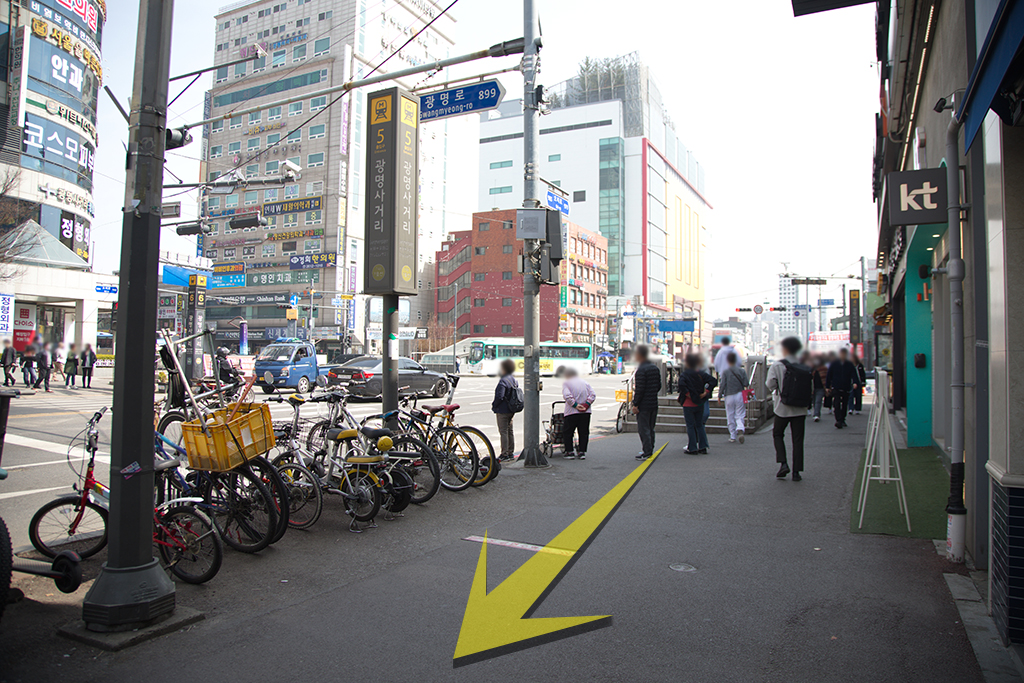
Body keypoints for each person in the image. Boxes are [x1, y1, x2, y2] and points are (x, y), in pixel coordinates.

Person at [766, 337, 812, 481]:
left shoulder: (777, 365)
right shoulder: (804, 365)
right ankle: (796, 472)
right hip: (800, 408)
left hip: (783, 407)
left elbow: (770, 384)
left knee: (778, 434)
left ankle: (783, 463)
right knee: (798, 439)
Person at [631, 345, 661, 461]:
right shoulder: (655, 368)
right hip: (653, 402)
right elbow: (659, 386)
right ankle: (649, 449)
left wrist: (635, 404)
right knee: (651, 428)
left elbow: (640, 389)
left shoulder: (641, 370)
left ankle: (647, 452)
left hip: (643, 404)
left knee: (644, 429)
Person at [678, 353, 712, 454]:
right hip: (699, 404)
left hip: (688, 404)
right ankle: (703, 446)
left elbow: (681, 385)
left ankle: (692, 447)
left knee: (690, 426)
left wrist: (688, 394)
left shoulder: (685, 374)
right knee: (699, 425)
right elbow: (713, 381)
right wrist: (706, 392)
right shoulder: (700, 373)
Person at [561, 368, 596, 460]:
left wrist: (576, 405)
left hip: (571, 412)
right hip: (585, 412)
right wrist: (586, 405)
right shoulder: (584, 382)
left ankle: (570, 451)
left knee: (568, 432)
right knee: (583, 432)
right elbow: (593, 394)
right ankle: (582, 452)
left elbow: (567, 396)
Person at [491, 358, 519, 461]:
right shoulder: (513, 379)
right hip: (511, 409)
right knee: (510, 431)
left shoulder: (503, 380)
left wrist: (494, 405)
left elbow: (500, 396)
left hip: (502, 410)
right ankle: (511, 452)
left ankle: (504, 453)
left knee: (503, 431)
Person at [719, 351, 749, 443]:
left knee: (730, 415)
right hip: (739, 394)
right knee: (740, 414)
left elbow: (722, 385)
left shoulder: (725, 371)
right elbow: (746, 383)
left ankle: (732, 435)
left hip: (729, 395)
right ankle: (740, 428)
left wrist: (719, 396)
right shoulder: (742, 371)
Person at [826, 347, 858, 429]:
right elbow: (829, 375)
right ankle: (838, 420)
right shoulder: (834, 364)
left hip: (846, 386)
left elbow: (854, 374)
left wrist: (855, 382)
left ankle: (843, 418)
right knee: (836, 404)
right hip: (836, 386)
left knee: (844, 404)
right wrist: (827, 386)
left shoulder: (849, 364)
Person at [811, 355, 828, 422]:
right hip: (813, 387)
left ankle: (816, 414)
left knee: (818, 401)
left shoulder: (824, 368)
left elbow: (827, 378)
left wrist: (827, 387)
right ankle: (816, 412)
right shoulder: (812, 368)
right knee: (814, 401)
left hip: (821, 387)